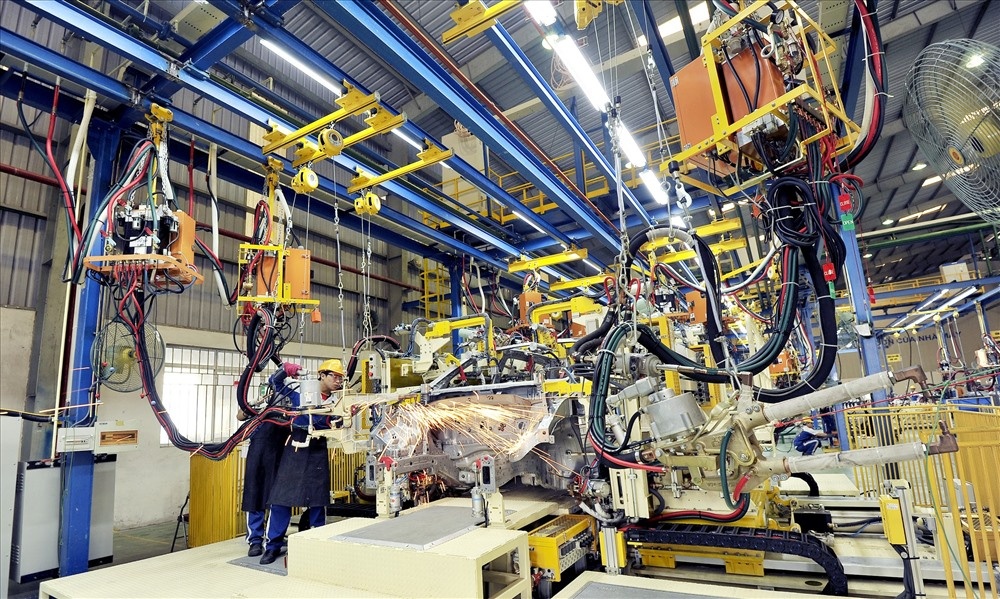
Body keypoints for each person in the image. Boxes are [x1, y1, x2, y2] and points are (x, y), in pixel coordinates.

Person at [259, 358, 344, 565]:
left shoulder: (338, 403)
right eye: (334, 376)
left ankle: (317, 541)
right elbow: (275, 383)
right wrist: (284, 371)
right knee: (281, 498)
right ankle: (273, 546)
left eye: (341, 378)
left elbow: (339, 423)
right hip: (295, 445)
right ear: (321, 375)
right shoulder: (300, 393)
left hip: (318, 447)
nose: (338, 381)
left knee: (317, 499)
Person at [238, 405, 289, 557]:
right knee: (254, 494)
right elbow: (240, 416)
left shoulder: (291, 396)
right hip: (257, 450)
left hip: (281, 450)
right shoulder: (259, 401)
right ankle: (255, 540)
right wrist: (250, 408)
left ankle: (273, 540)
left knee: (278, 497)